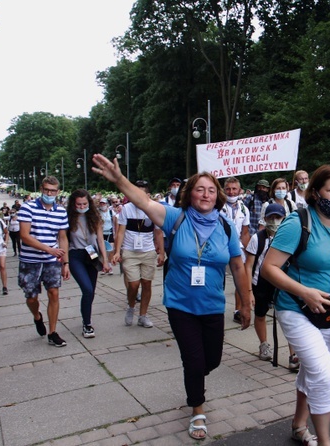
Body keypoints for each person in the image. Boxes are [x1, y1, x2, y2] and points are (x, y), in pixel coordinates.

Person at [91, 154, 252, 441]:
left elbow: (238, 265)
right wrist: (119, 180)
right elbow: (142, 202)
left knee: (210, 361)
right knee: (193, 361)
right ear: (189, 194)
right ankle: (197, 410)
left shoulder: (225, 226)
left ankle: (196, 381)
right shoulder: (175, 218)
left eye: (211, 190)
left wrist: (247, 301)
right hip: (180, 304)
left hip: (213, 305)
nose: (205, 194)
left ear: (218, 197)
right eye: (199, 189)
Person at [262, 164, 330, 446]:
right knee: (322, 371)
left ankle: (298, 425)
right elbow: (269, 268)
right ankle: (325, 441)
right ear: (316, 192)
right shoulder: (298, 222)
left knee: (313, 369)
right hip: (296, 308)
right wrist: (305, 292)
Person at [17, 176, 70, 347]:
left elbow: (63, 237)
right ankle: (37, 316)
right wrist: (48, 248)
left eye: (53, 191)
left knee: (54, 293)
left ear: (58, 192)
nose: (49, 193)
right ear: (41, 189)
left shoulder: (61, 211)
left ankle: (53, 332)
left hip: (51, 261)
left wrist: (65, 263)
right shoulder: (28, 207)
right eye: (46, 190)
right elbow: (25, 236)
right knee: (31, 297)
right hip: (30, 260)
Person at [245, 203, 296, 364]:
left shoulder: (289, 237)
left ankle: (293, 353)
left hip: (282, 281)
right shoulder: (257, 238)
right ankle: (264, 344)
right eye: (271, 217)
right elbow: (248, 265)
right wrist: (248, 291)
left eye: (278, 217)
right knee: (260, 314)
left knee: (288, 316)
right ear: (265, 219)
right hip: (261, 282)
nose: (274, 221)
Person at [112, 179, 165, 328]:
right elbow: (120, 232)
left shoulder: (154, 209)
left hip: (148, 251)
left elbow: (159, 233)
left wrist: (161, 252)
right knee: (134, 284)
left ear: (148, 195)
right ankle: (131, 307)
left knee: (147, 283)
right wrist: (117, 251)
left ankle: (143, 315)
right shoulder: (127, 209)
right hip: (130, 251)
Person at [67, 189, 113, 338]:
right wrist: (64, 263)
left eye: (84, 204)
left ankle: (86, 315)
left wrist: (105, 260)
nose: (81, 207)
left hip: (92, 253)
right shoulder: (68, 218)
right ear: (74, 204)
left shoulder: (95, 217)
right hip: (76, 254)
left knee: (91, 291)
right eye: (78, 204)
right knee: (87, 289)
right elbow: (62, 239)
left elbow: (100, 240)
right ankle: (87, 324)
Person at [220, 176, 251, 323]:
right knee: (218, 280)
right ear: (223, 190)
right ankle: (216, 309)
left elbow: (245, 233)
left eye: (234, 189)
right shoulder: (217, 207)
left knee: (241, 280)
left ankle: (238, 310)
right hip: (219, 246)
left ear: (240, 190)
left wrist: (249, 252)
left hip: (237, 247)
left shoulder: (244, 209)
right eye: (228, 189)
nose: (231, 192)